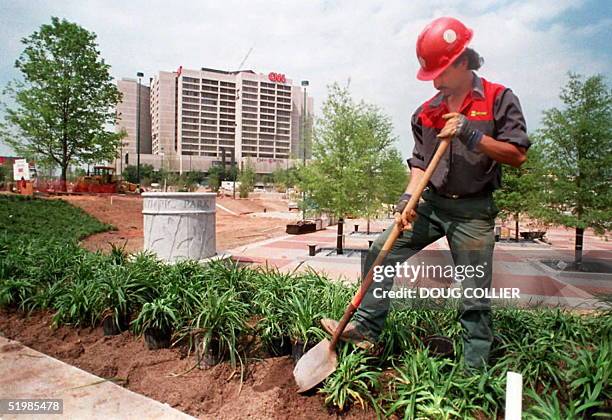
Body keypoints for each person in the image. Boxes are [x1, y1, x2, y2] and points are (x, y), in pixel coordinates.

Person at [321, 16, 530, 369]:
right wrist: (407, 201)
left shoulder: (499, 98)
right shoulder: (427, 112)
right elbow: (420, 164)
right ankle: (367, 328)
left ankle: (473, 371)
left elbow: (518, 154)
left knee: (473, 292)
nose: (434, 79)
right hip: (431, 204)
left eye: (441, 70)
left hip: (473, 212)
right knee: (379, 251)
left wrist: (473, 135)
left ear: (463, 61)